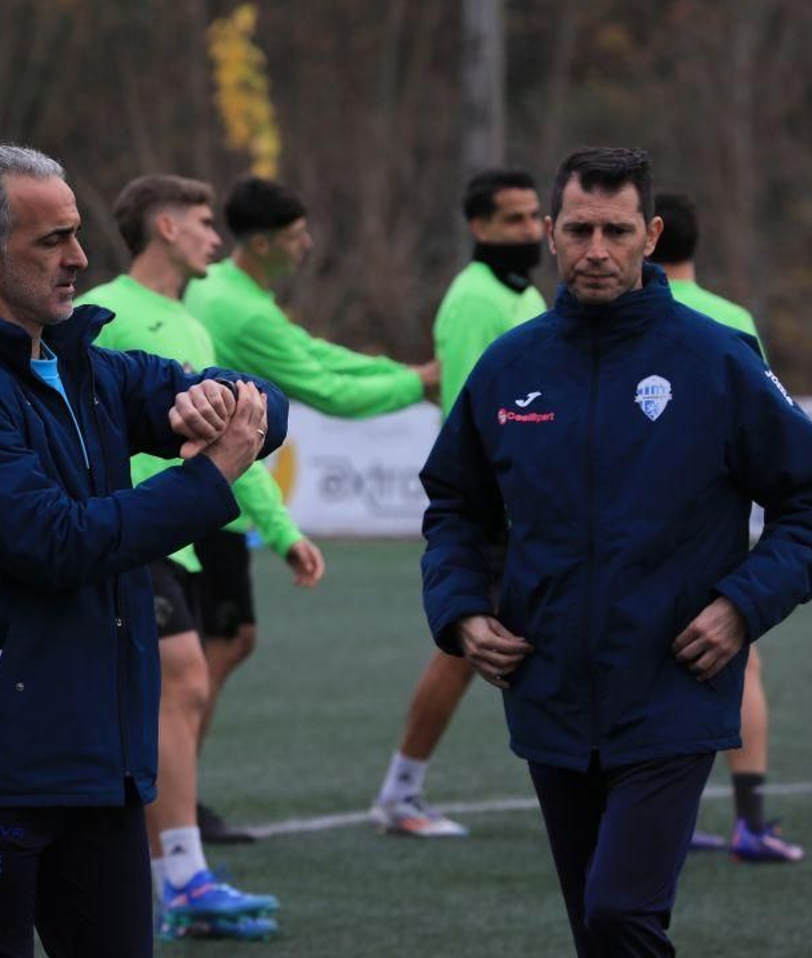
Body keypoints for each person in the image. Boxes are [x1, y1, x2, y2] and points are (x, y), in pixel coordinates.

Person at [420, 146, 812, 956]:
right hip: (546, 690)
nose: (596, 250)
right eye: (579, 228)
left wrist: (742, 604)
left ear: (650, 234)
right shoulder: (509, 367)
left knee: (622, 912)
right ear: (549, 232)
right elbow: (456, 507)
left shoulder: (716, 359)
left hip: (672, 687)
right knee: (597, 926)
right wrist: (461, 611)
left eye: (616, 230)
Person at [0, 145, 288, 958]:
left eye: (76, 233)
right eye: (51, 240)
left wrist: (226, 400)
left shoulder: (88, 367)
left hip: (101, 765)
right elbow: (55, 543)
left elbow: (265, 407)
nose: (79, 258)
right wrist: (211, 475)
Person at [79, 174, 326, 941]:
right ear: (163, 226)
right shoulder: (111, 312)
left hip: (175, 541)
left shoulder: (190, 328)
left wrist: (280, 530)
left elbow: (237, 448)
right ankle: (180, 875)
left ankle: (167, 873)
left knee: (176, 688)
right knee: (183, 680)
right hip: (128, 534)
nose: (216, 238)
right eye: (202, 221)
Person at [182, 175, 439, 838]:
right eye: (298, 238)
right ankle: (172, 798)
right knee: (210, 648)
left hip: (205, 499)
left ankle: (169, 792)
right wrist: (418, 383)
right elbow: (329, 392)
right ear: (263, 242)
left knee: (217, 643)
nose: (309, 247)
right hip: (210, 501)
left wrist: (408, 374)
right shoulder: (243, 312)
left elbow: (317, 356)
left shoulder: (226, 291)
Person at [371, 168, 547, 838]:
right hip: (497, 504)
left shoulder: (523, 291)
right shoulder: (475, 298)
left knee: (479, 645)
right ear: (479, 228)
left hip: (525, 504)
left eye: (535, 216)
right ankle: (400, 791)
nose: (531, 230)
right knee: (464, 644)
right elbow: (482, 411)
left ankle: (401, 789)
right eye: (514, 219)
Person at [653, 192, 799, 863]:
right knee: (741, 661)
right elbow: (766, 420)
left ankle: (652, 818)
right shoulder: (733, 317)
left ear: (646, 238)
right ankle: (750, 820)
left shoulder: (622, 312)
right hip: (713, 522)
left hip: (629, 523)